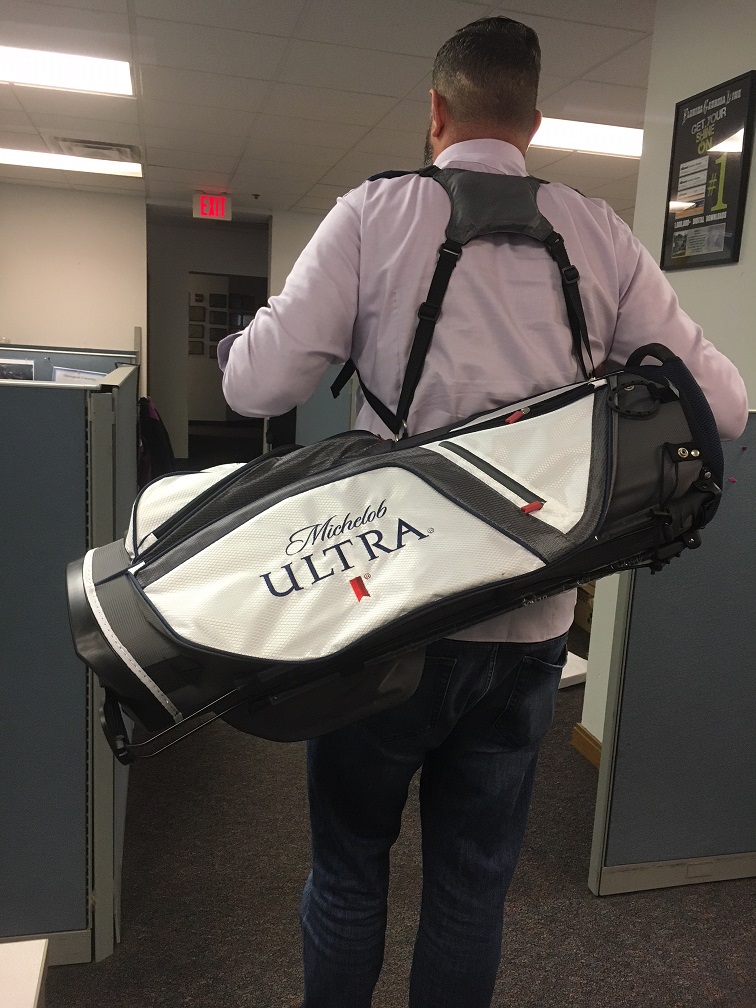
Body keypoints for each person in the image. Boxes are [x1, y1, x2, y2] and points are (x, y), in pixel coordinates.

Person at [218, 17, 748, 1008]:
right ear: (534, 122)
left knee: (348, 871)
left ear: (435, 110)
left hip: (385, 618)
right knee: (470, 895)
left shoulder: (374, 214)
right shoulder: (599, 233)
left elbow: (254, 386)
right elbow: (725, 406)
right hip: (529, 625)